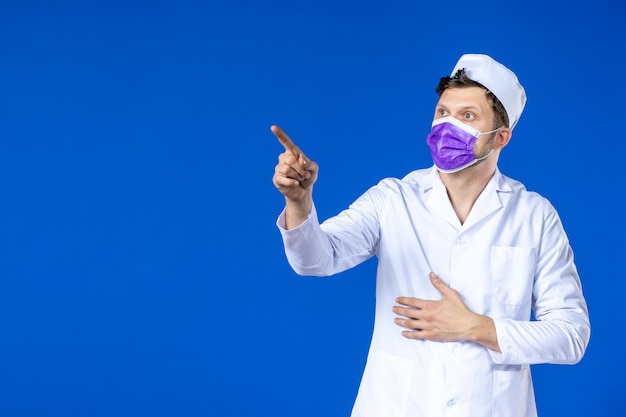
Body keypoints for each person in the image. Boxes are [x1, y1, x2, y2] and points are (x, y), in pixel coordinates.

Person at [270, 53, 590, 417]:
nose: (447, 125)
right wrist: (299, 201)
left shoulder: (534, 215)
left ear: (500, 137)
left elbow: (571, 336)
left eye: (467, 116)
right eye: (442, 112)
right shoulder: (393, 198)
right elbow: (316, 260)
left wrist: (477, 328)